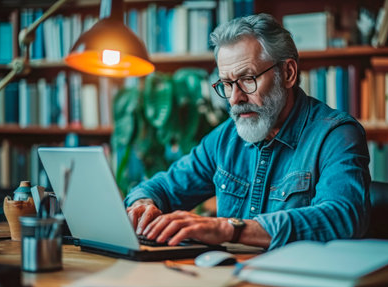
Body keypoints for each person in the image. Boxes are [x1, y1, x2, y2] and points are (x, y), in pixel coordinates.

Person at [125, 13, 371, 250]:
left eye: (247, 79)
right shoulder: (224, 138)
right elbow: (162, 187)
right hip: (230, 279)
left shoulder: (336, 134)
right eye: (227, 84)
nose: (234, 98)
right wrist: (143, 204)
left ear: (288, 73)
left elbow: (343, 217)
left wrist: (230, 229)